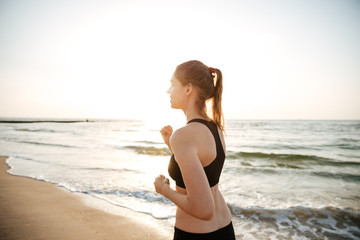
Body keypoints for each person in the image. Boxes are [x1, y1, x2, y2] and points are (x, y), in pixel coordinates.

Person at [154, 60, 235, 239]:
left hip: (196, 234)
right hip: (225, 229)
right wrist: (172, 147)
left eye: (173, 84)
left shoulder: (184, 136)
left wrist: (163, 189)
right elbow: (204, 170)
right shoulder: (216, 128)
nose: (168, 90)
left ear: (188, 89)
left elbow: (203, 210)